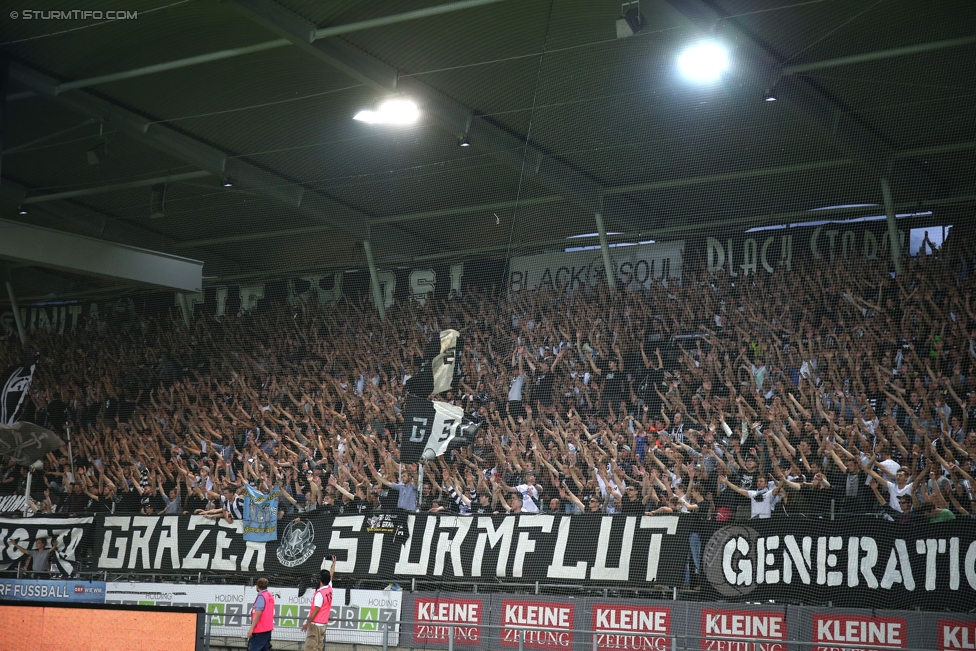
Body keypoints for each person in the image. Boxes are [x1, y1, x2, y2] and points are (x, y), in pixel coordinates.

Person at [301, 556, 337, 651]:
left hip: (315, 624)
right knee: (319, 647)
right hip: (323, 624)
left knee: (310, 647)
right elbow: (331, 574)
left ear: (320, 580)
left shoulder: (319, 594)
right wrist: (334, 563)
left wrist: (308, 623)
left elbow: (316, 609)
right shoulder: (329, 588)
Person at [247, 577, 275, 651]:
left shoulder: (261, 596)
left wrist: (251, 628)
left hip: (260, 629)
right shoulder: (270, 595)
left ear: (257, 586)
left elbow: (258, 613)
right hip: (268, 628)